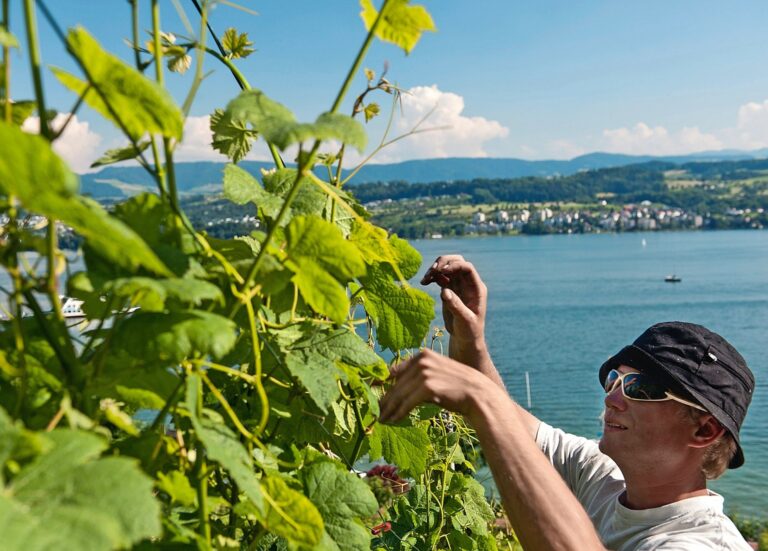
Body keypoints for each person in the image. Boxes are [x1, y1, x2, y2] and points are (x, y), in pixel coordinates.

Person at [379, 255, 754, 551]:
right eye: (614, 379)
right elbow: (516, 431)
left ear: (704, 430)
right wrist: (470, 343)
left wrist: (482, 399)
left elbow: (497, 415)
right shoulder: (602, 477)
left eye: (639, 388)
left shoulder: (702, 543)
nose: (612, 397)